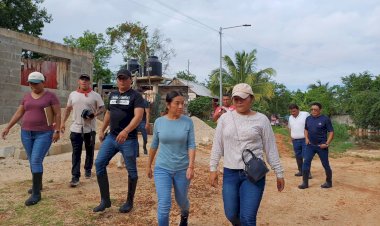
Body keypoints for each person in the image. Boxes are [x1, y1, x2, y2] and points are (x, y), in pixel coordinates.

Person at [209, 83, 285, 226]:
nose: (238, 101)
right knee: (231, 214)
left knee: (248, 218)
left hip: (253, 175)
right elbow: (217, 145)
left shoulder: (262, 120)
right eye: (235, 98)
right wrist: (213, 168)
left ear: (252, 99)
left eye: (242, 98)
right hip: (230, 173)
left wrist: (279, 173)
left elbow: (270, 148)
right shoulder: (225, 119)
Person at [1, 71, 61, 206]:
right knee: (32, 159)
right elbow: (19, 112)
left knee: (35, 160)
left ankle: (36, 194)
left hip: (44, 133)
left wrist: (57, 130)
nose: (33, 86)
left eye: (36, 83)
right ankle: (37, 185)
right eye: (31, 83)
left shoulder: (51, 96)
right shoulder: (27, 96)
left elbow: (57, 114)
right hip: (26, 133)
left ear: (42, 83)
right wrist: (8, 127)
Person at [93, 69, 144, 213]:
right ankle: (105, 200)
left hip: (128, 140)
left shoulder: (136, 96)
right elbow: (108, 113)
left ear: (130, 80)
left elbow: (138, 117)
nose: (121, 81)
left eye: (124, 78)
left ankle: (129, 202)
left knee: (132, 171)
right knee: (99, 163)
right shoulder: (113, 95)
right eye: (119, 78)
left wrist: (126, 131)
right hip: (111, 137)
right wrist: (102, 129)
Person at [146, 91, 196, 226]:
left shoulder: (188, 122)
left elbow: (191, 145)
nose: (181, 106)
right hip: (162, 168)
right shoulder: (159, 122)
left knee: (182, 201)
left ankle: (184, 214)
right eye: (177, 103)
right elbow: (154, 144)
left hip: (182, 169)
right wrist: (149, 165)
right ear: (168, 105)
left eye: (182, 103)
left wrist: (191, 166)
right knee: (164, 204)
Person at [61, 74, 105, 187]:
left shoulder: (95, 95)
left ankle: (88, 169)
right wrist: (62, 123)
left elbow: (102, 108)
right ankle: (75, 176)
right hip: (76, 128)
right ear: (78, 81)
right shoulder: (73, 95)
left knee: (90, 151)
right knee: (76, 153)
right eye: (82, 79)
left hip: (90, 129)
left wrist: (94, 114)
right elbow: (68, 109)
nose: (84, 81)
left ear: (89, 82)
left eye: (86, 80)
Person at [299, 102, 334, 189]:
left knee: (325, 164)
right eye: (312, 109)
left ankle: (329, 182)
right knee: (306, 163)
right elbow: (306, 129)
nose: (313, 111)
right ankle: (305, 183)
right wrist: (306, 138)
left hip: (321, 147)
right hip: (310, 146)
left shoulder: (325, 119)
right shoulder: (308, 119)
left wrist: (327, 143)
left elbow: (331, 132)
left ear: (320, 110)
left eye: (315, 109)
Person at [288, 104, 312, 179]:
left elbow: (311, 125)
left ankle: (307, 173)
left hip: (304, 139)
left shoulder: (305, 114)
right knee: (298, 156)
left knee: (306, 156)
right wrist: (291, 136)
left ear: (298, 109)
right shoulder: (290, 117)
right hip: (295, 140)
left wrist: (308, 137)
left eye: (294, 111)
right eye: (291, 112)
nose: (292, 113)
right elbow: (289, 127)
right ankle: (301, 171)